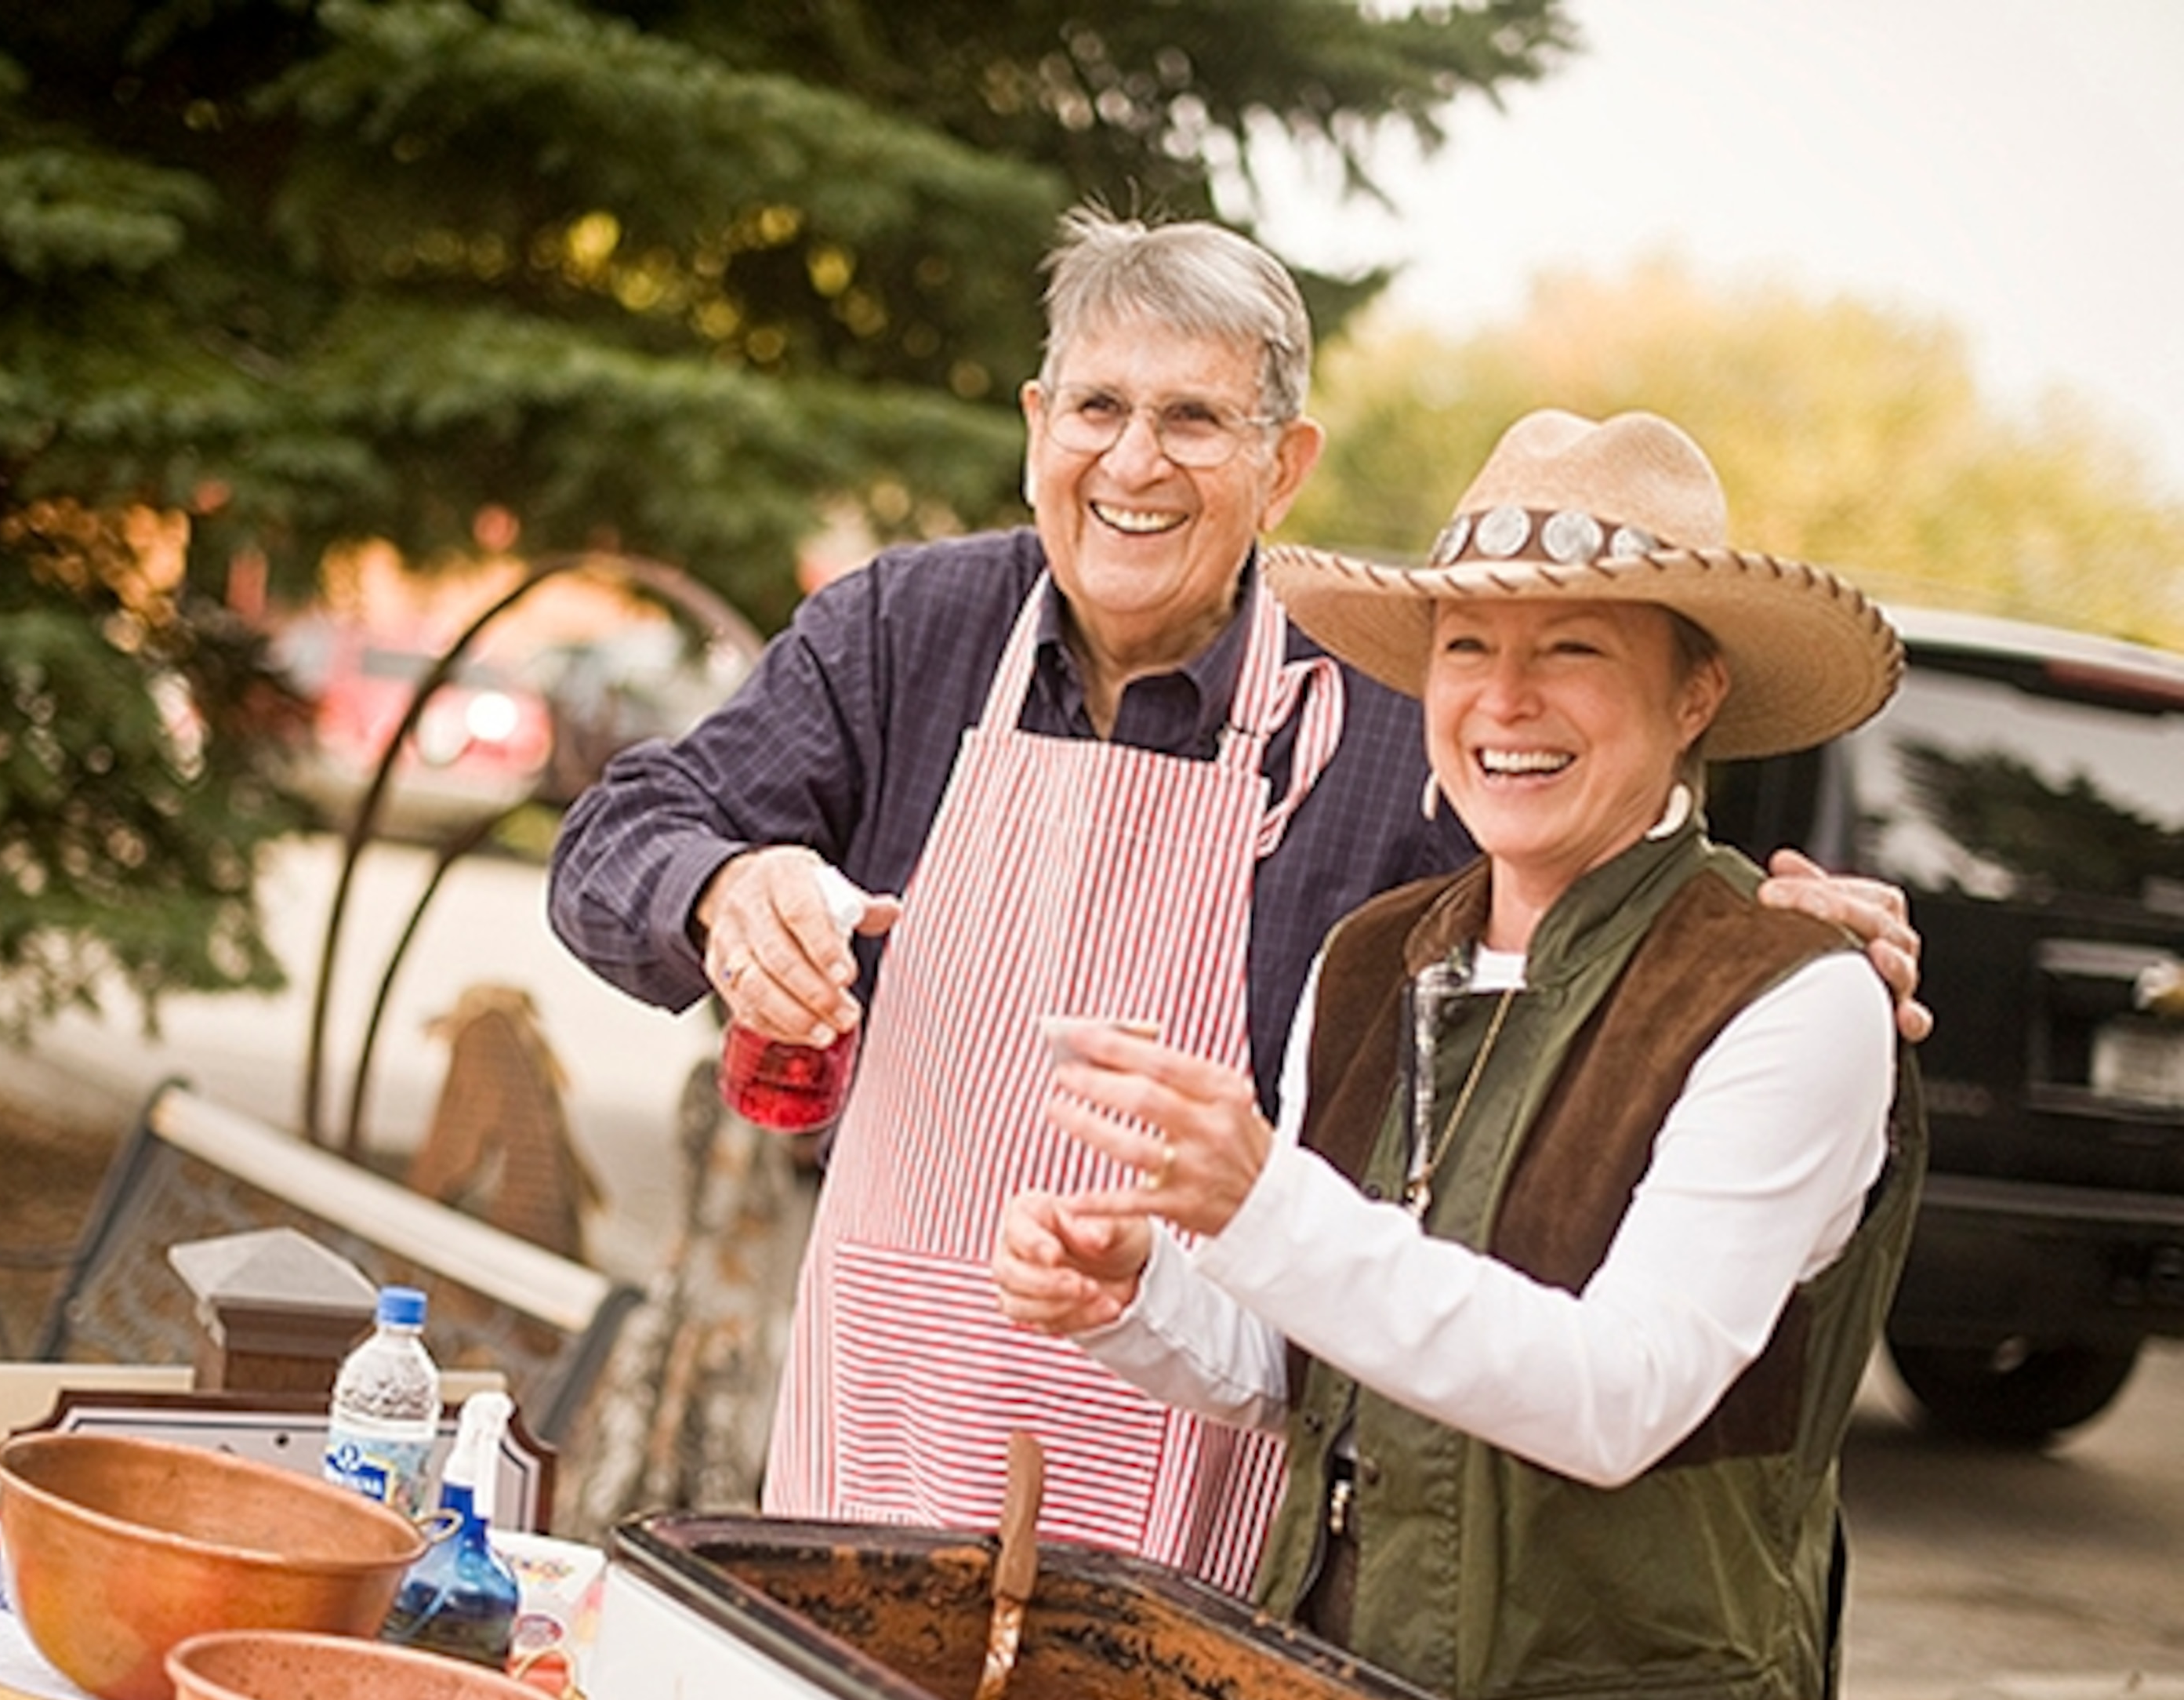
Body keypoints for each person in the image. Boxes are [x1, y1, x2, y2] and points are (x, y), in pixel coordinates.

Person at [549, 207, 1924, 1593]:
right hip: (886, 1409)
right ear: (1037, 425)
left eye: (1196, 420)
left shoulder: (1403, 720)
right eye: (1097, 405)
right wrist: (725, 889)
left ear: (1284, 467)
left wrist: (1763, 935)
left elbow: (1594, 899)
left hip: (1218, 1444)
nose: (1133, 462)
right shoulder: (904, 632)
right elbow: (613, 838)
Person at [991, 407, 1927, 1700]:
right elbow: (1301, 1363)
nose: (1505, 699)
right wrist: (1141, 1296)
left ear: (1694, 696)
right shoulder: (1373, 955)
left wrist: (1260, 1202)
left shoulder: (1791, 996)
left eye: (1574, 650)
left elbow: (1621, 1397)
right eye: (1469, 649)